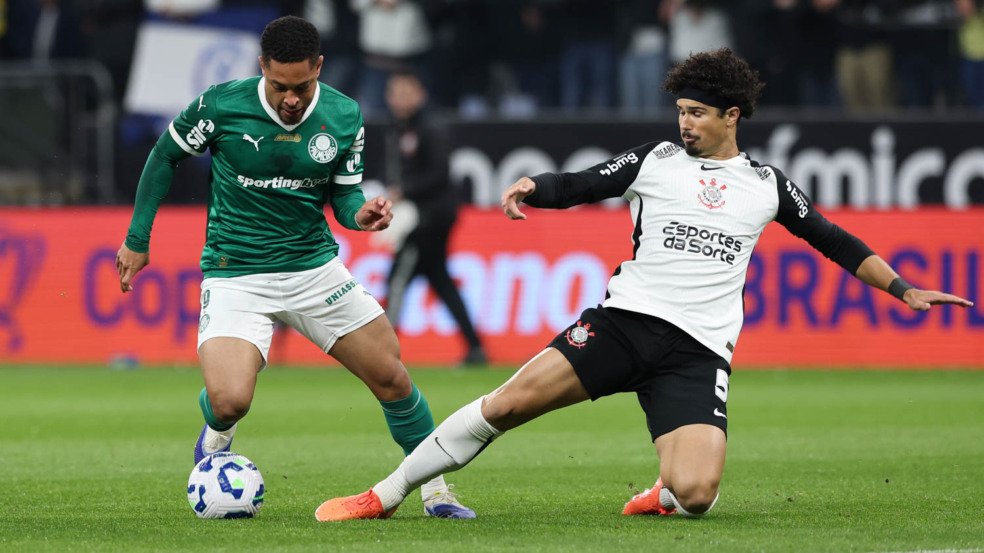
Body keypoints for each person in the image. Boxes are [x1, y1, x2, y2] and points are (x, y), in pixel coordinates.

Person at [314, 47, 974, 522]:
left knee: (697, 494)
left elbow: (835, 240)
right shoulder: (657, 160)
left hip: (698, 351)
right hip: (623, 323)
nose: (684, 123)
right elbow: (583, 182)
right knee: (506, 404)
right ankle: (385, 493)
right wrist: (530, 188)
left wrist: (903, 290)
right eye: (681, 111)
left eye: (697, 113)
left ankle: (660, 490)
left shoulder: (767, 185)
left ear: (733, 116)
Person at [115, 15, 475, 519]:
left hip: (313, 270)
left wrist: (362, 214)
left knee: (392, 377)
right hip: (236, 271)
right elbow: (164, 156)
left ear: (319, 69)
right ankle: (218, 430)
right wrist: (137, 239)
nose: (291, 99)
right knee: (230, 400)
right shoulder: (220, 105)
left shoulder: (344, 114)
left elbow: (345, 196)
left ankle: (436, 490)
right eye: (280, 85)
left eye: (302, 86)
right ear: (262, 66)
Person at [381, 71, 487, 367]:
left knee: (398, 278)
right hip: (418, 215)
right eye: (395, 93)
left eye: (406, 93)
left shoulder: (430, 127)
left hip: (430, 218)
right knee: (440, 281)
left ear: (420, 95)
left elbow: (440, 173)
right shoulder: (396, 129)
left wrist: (404, 191)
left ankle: (383, 353)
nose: (400, 100)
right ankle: (476, 347)